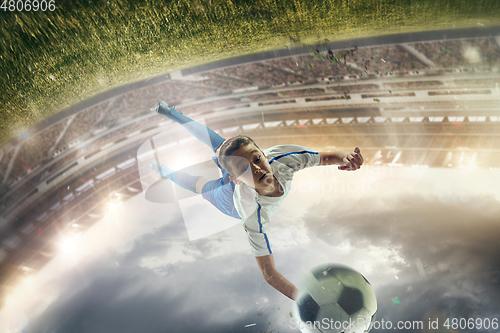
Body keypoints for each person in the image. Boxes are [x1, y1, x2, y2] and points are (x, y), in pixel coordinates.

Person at [150, 100, 364, 301]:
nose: (257, 168)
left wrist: (347, 158)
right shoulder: (250, 213)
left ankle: (171, 114)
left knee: (221, 144)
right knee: (200, 186)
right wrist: (304, 300)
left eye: (257, 159)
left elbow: (329, 156)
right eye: (246, 168)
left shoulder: (283, 158)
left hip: (239, 179)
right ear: (235, 179)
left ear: (263, 153)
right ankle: (165, 171)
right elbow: (269, 273)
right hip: (229, 201)